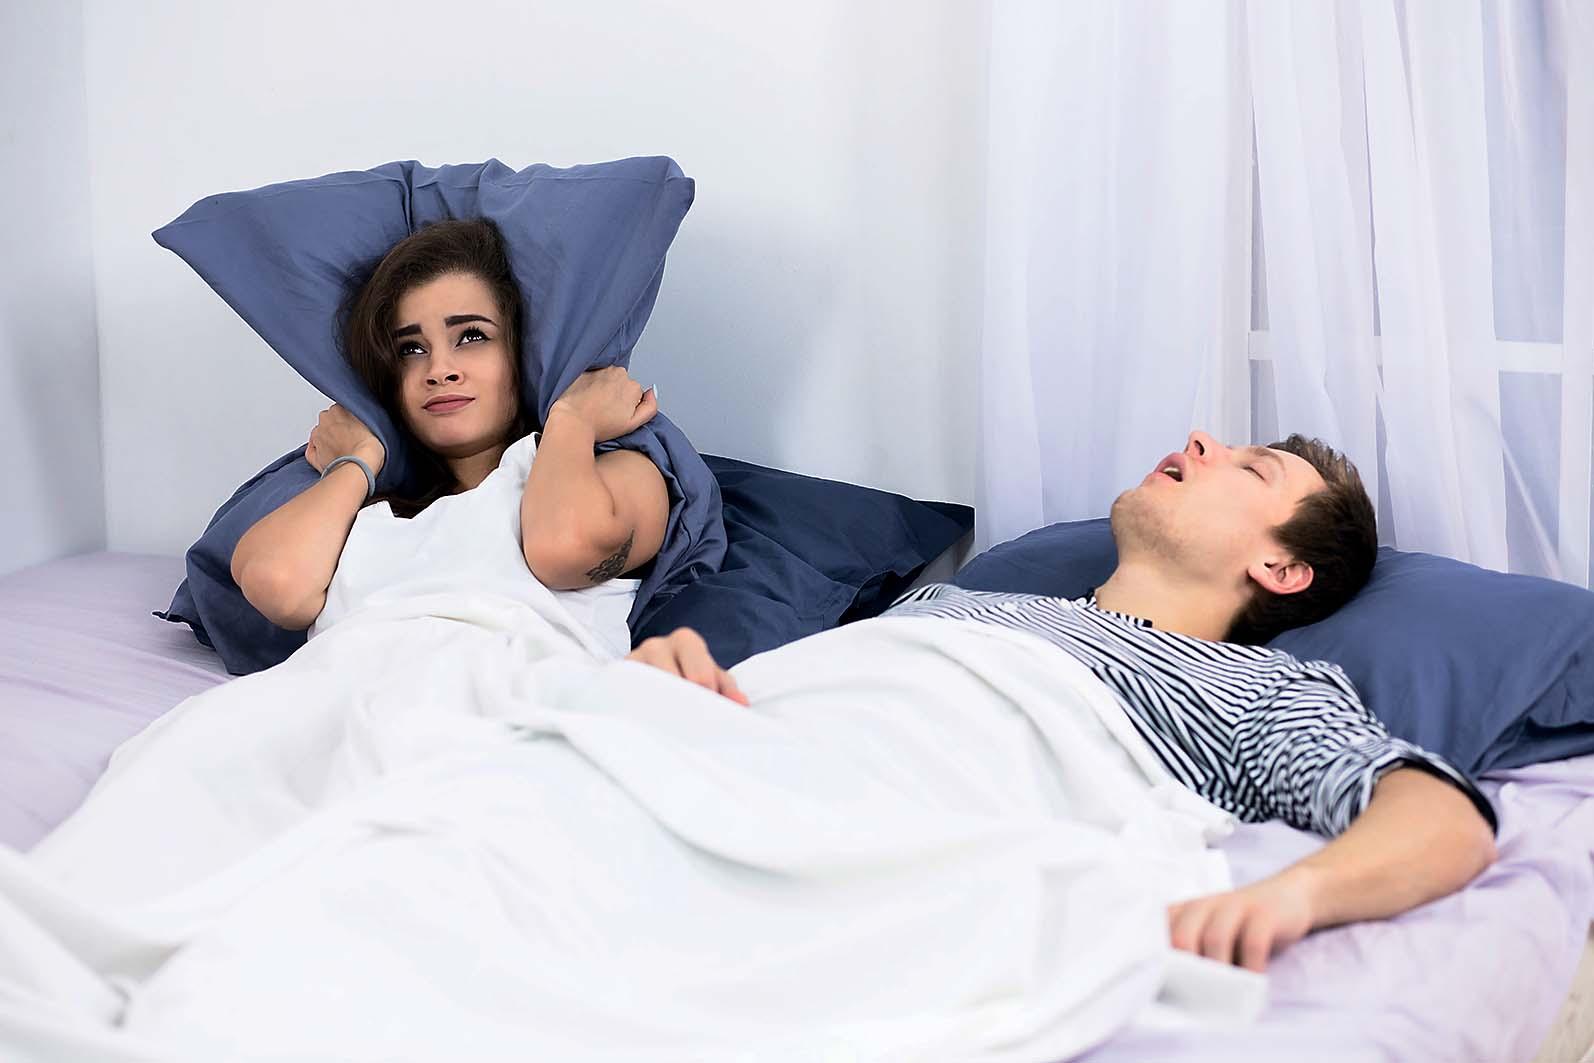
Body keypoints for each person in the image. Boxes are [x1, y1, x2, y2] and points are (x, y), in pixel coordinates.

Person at [629, 429, 1500, 973]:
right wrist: (695, 692)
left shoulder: (1250, 689)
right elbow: (834, 711)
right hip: (719, 776)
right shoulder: (949, 601)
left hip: (849, 856)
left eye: (1250, 468)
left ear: (1280, 566)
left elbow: (1442, 817)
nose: (1202, 440)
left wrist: (1294, 894)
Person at [229, 218, 669, 647]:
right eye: (411, 348)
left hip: (520, 692)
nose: (439, 370)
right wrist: (358, 460)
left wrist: (572, 418)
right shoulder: (366, 514)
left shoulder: (618, 475)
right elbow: (277, 584)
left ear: (522, 352)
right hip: (341, 690)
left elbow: (564, 549)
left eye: (472, 336)